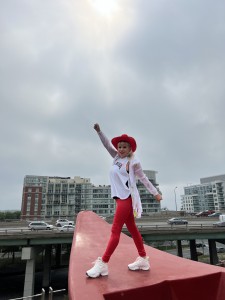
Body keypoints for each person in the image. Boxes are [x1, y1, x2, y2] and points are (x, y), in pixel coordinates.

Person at [86, 123, 162, 278]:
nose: (120, 149)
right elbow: (107, 144)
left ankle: (103, 263)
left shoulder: (133, 162)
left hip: (127, 199)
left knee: (115, 231)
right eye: (119, 147)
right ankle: (143, 259)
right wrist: (99, 131)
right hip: (119, 198)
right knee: (133, 229)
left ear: (130, 149)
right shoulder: (115, 158)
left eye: (124, 147)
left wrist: (156, 193)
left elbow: (144, 179)